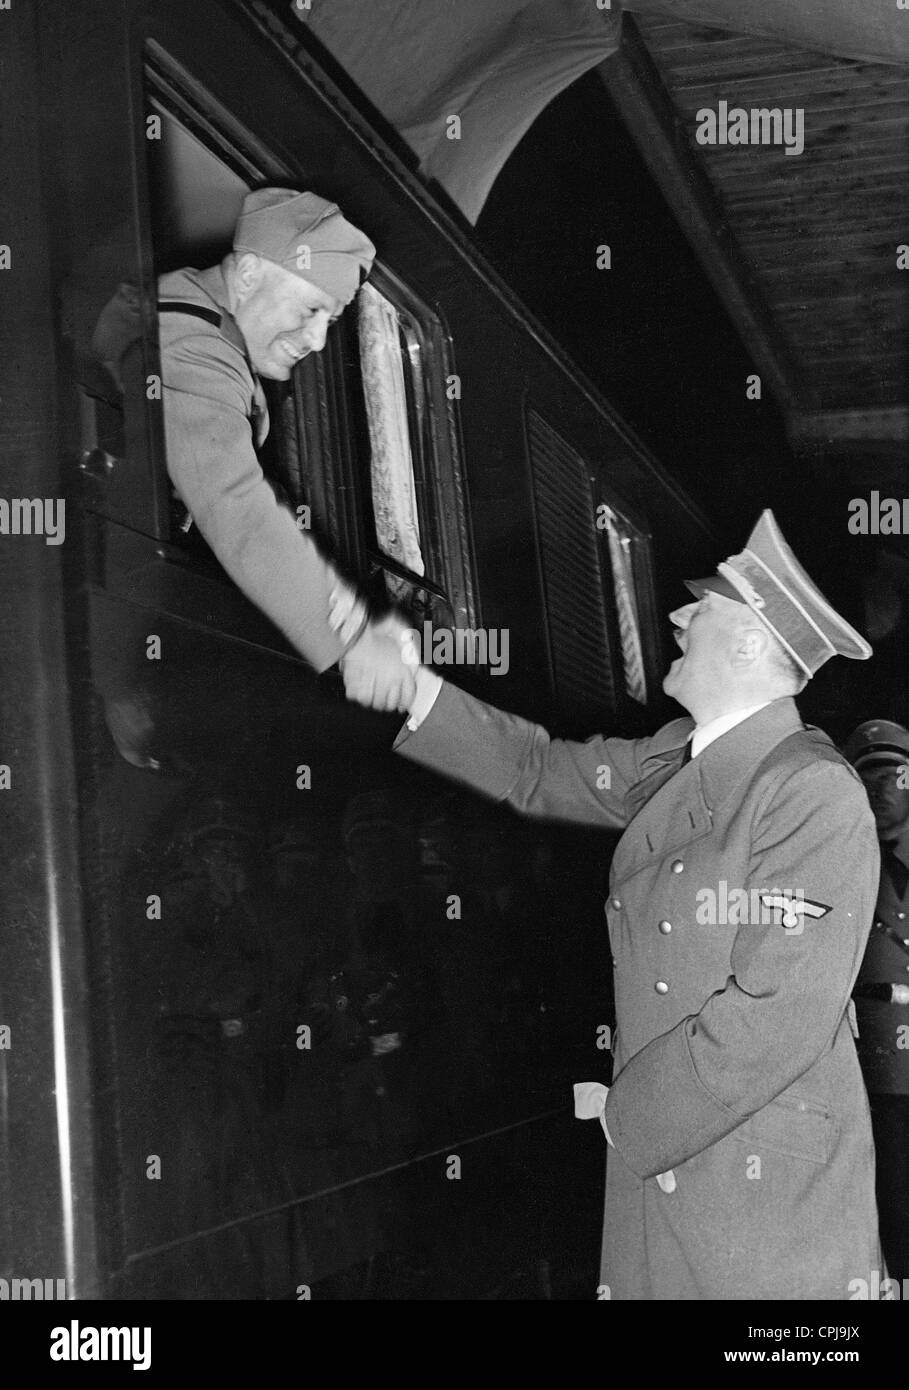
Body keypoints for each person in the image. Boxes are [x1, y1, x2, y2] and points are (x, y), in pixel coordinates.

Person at [330, 509, 883, 1299]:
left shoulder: (809, 791)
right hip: (671, 1162)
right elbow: (536, 768)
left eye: (703, 607)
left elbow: (776, 1015)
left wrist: (629, 1119)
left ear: (750, 642)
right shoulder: (674, 758)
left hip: (755, 1196)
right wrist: (411, 684)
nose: (677, 616)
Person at [95, 187, 414, 712]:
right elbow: (236, 508)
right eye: (312, 308)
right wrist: (352, 641)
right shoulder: (193, 344)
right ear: (246, 276)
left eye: (330, 322)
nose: (317, 340)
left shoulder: (205, 327)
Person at [843, 719, 909, 1284]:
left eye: (895, 776)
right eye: (867, 778)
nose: (881, 790)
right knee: (887, 1213)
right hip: (872, 1076)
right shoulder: (841, 864)